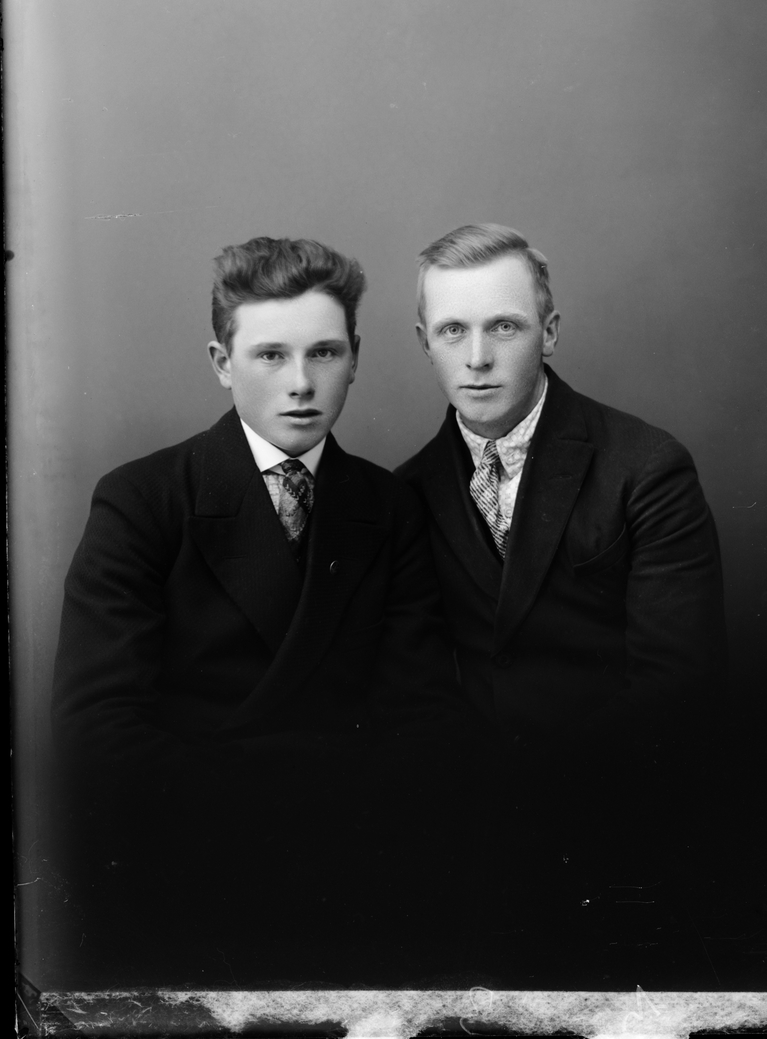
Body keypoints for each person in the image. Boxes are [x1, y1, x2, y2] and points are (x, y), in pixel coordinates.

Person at [51, 236, 468, 987]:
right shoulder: (143, 500)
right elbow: (97, 736)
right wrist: (288, 792)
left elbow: (424, 723)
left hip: (356, 884)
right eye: (270, 355)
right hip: (181, 884)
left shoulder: (389, 507)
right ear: (222, 362)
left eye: (324, 353)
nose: (301, 384)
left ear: (355, 358)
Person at [396, 223, 728, 984]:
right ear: (424, 342)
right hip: (470, 854)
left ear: (548, 332)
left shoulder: (646, 467)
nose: (477, 358)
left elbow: (679, 688)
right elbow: (411, 694)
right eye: (453, 331)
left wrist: (533, 802)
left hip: (626, 840)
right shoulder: (405, 493)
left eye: (504, 327)